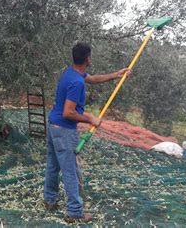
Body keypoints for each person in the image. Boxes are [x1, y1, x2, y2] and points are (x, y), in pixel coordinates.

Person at [43, 42, 130, 222]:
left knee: (53, 165)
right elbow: (69, 112)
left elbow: (92, 79)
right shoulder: (76, 82)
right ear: (88, 58)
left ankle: (50, 200)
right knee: (70, 170)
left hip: (53, 125)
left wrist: (116, 75)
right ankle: (74, 212)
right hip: (64, 130)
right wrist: (90, 118)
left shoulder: (71, 73)